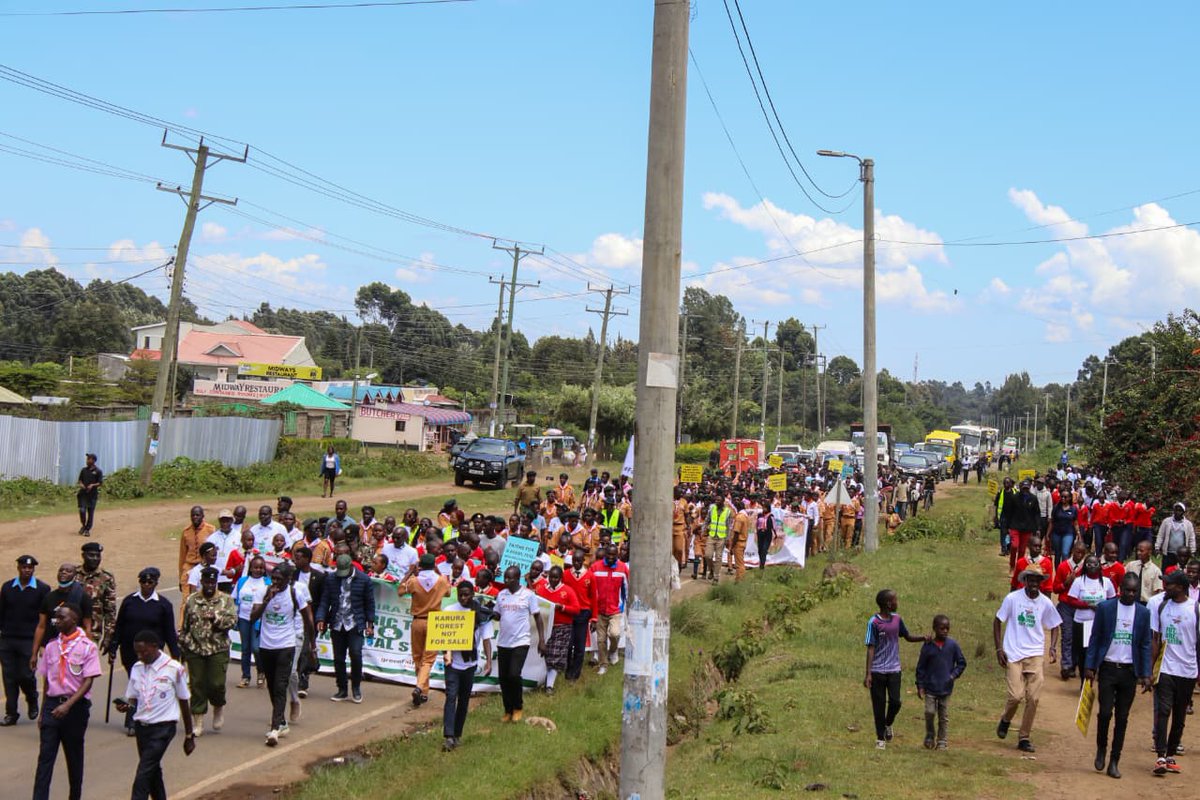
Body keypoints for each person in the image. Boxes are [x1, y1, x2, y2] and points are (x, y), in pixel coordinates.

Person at [1084, 573, 1152, 779]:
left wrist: (1146, 673)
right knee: (1105, 712)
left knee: (1122, 718)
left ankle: (1115, 760)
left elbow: (1145, 644)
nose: (1131, 594)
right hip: (1108, 668)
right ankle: (1101, 748)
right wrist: (1090, 665)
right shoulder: (1106, 608)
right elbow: (1095, 638)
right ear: (1120, 588)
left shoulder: (1142, 613)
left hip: (1129, 672)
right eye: (1127, 590)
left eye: (1134, 591)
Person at [114, 630, 195, 799]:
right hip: (142, 728)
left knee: (143, 772)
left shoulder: (174, 669)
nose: (140, 655)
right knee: (153, 771)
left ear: (155, 647)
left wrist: (189, 735)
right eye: (137, 652)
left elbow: (184, 701)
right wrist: (126, 706)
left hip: (163, 729)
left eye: (144, 651)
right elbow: (133, 699)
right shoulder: (137, 668)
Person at [32, 603, 100, 800]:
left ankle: (74, 796)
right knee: (45, 758)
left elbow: (88, 680)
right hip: (53, 706)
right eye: (56, 617)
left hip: (75, 707)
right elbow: (47, 681)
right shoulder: (52, 646)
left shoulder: (87, 646)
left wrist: (68, 705)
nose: (57, 621)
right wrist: (44, 711)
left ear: (74, 620)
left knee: (74, 757)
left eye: (61, 618)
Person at [994, 563, 1061, 753]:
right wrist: (999, 648)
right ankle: (1006, 719)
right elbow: (998, 621)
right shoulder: (1013, 599)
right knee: (1015, 696)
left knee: (1033, 698)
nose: (1033, 583)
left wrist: (1053, 647)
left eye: (1037, 580)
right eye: (1030, 579)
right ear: (1024, 580)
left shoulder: (1045, 603)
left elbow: (1055, 624)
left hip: (1035, 654)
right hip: (1013, 653)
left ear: (1041, 583)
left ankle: (1024, 736)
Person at [250, 562, 315, 746]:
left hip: (286, 645)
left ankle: (274, 729)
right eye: (274, 579)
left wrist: (312, 646)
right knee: (272, 686)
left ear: (288, 579)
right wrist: (266, 601)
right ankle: (282, 721)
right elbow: (253, 617)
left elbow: (308, 619)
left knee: (280, 685)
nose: (275, 582)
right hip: (266, 646)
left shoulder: (296, 593)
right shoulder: (264, 591)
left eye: (279, 579)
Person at [110, 568, 180, 735]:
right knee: (135, 683)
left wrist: (175, 653)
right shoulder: (129, 601)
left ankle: (136, 720)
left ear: (156, 583)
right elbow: (119, 626)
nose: (147, 585)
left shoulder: (163, 605)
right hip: (129, 650)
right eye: (143, 582)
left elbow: (169, 631)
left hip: (152, 654)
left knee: (144, 685)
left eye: (150, 582)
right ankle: (134, 720)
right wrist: (113, 647)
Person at [863, 589, 927, 750]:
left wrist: (923, 638)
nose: (897, 602)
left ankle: (888, 723)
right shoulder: (874, 622)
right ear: (888, 603)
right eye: (895, 600)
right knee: (878, 705)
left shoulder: (897, 620)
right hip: (877, 671)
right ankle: (880, 739)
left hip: (894, 670)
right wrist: (868, 673)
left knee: (896, 702)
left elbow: (907, 636)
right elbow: (871, 647)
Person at [179, 567, 237, 736]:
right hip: (195, 648)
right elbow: (185, 625)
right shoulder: (192, 600)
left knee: (216, 683)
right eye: (207, 582)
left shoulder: (225, 600)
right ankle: (198, 720)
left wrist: (216, 618)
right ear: (201, 582)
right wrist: (183, 644)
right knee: (197, 684)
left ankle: (218, 706)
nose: (210, 585)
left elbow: (232, 622)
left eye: (213, 582)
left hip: (217, 648)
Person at [1150, 571, 1198, 775]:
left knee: (1180, 716)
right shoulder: (1161, 606)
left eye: (1169, 585)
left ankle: (1170, 754)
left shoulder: (1195, 609)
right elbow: (1155, 639)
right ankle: (1160, 755)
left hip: (1187, 670)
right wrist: (1151, 670)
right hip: (1166, 668)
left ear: (1180, 586)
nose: (1165, 588)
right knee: (1163, 710)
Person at [440, 581, 496, 751]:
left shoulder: (481, 615)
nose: (463, 598)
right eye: (460, 595)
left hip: (470, 664)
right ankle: (448, 736)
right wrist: (446, 652)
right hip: (453, 663)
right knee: (450, 696)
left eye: (466, 595)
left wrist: (488, 660)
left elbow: (486, 639)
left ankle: (457, 734)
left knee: (463, 700)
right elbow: (444, 635)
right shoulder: (449, 611)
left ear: (472, 594)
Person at [315, 553, 375, 704]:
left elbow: (370, 603)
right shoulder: (331, 579)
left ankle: (356, 687)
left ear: (351, 567)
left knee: (355, 654)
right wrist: (321, 618)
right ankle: (342, 688)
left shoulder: (364, 580)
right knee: (339, 658)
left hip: (355, 623)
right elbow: (325, 600)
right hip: (337, 622)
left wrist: (370, 624)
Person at [0, 555, 49, 726]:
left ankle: (32, 698)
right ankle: (11, 713)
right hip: (7, 639)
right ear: (18, 568)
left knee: (26, 675)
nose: (27, 570)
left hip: (29, 640)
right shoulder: (7, 587)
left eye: (30, 568)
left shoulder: (42, 589)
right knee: (9, 677)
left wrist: (43, 643)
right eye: (24, 567)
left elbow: (46, 619)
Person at [494, 565, 546, 722]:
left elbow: (537, 617)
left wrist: (542, 640)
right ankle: (507, 710)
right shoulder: (501, 594)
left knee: (514, 674)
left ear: (518, 579)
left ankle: (518, 707)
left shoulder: (528, 595)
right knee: (503, 677)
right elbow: (497, 615)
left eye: (510, 578)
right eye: (505, 578)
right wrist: (490, 613)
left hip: (520, 641)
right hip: (503, 642)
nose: (506, 580)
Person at [399, 553, 451, 707]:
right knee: (428, 659)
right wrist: (439, 572)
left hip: (418, 621)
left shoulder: (414, 581)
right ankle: (421, 688)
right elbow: (448, 591)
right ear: (434, 565)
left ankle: (422, 690)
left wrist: (409, 572)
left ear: (420, 565)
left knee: (418, 657)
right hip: (434, 622)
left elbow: (400, 590)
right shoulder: (440, 581)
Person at [914, 614, 967, 751]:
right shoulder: (928, 646)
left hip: (945, 688)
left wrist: (953, 675)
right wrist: (920, 686)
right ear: (934, 628)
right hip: (930, 687)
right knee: (929, 712)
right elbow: (921, 667)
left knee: (943, 716)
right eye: (941, 628)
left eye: (947, 628)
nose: (945, 631)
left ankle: (942, 740)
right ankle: (930, 735)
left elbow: (961, 663)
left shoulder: (952, 645)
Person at [30, 564, 93, 673]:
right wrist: (34, 653)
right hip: (51, 646)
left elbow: (87, 627)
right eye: (61, 570)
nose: (63, 572)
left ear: (75, 576)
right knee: (50, 682)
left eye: (68, 571)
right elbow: (41, 626)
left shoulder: (83, 597)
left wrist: (88, 651)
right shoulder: (49, 597)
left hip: (74, 647)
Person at [535, 565, 581, 694]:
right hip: (544, 626)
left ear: (561, 578)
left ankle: (549, 685)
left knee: (556, 656)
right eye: (551, 577)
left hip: (562, 627)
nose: (553, 580)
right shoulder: (542, 589)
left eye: (556, 577)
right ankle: (539, 680)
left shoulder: (568, 591)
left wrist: (563, 608)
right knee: (543, 653)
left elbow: (576, 609)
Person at [589, 543, 628, 675]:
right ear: (605, 555)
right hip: (599, 610)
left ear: (617, 555)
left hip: (615, 609)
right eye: (608, 555)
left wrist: (624, 606)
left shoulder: (622, 568)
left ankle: (613, 650)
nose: (611, 558)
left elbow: (626, 588)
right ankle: (603, 664)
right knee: (600, 640)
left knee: (615, 634)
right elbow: (590, 589)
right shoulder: (595, 568)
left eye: (614, 555)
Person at [233, 555, 270, 689]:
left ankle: (261, 672)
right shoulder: (242, 581)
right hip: (243, 618)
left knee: (256, 648)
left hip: (259, 621)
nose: (258, 570)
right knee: (245, 648)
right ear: (250, 568)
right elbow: (235, 599)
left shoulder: (268, 583)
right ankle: (245, 676)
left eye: (261, 567)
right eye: (255, 567)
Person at [76, 542, 116, 654]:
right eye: (91, 555)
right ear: (83, 556)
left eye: (97, 556)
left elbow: (110, 610)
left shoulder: (106, 577)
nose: (95, 559)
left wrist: (109, 635)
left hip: (93, 631)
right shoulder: (73, 573)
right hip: (71, 629)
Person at [178, 506, 215, 593]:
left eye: (197, 515)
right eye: (193, 515)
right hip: (188, 567)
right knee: (186, 599)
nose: (195, 517)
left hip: (203, 566)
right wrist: (180, 578)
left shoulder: (211, 530)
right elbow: (182, 555)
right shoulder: (186, 532)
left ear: (202, 516)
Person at [1155, 503, 1195, 572]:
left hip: (1181, 554)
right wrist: (1157, 547)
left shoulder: (1188, 524)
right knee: (1166, 571)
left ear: (1183, 512)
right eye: (1176, 510)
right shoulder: (1166, 521)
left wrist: (1192, 550)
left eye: (1180, 510)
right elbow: (1160, 535)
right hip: (1168, 553)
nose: (1177, 512)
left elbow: (1192, 538)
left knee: (1180, 571)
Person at [75, 453, 102, 537]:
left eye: (89, 459)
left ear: (93, 461)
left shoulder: (98, 471)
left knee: (90, 513)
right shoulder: (83, 470)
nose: (87, 461)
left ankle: (87, 529)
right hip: (83, 494)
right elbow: (80, 480)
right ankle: (83, 525)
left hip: (92, 495)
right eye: (87, 459)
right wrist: (81, 484)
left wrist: (92, 485)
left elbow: (100, 483)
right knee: (82, 510)